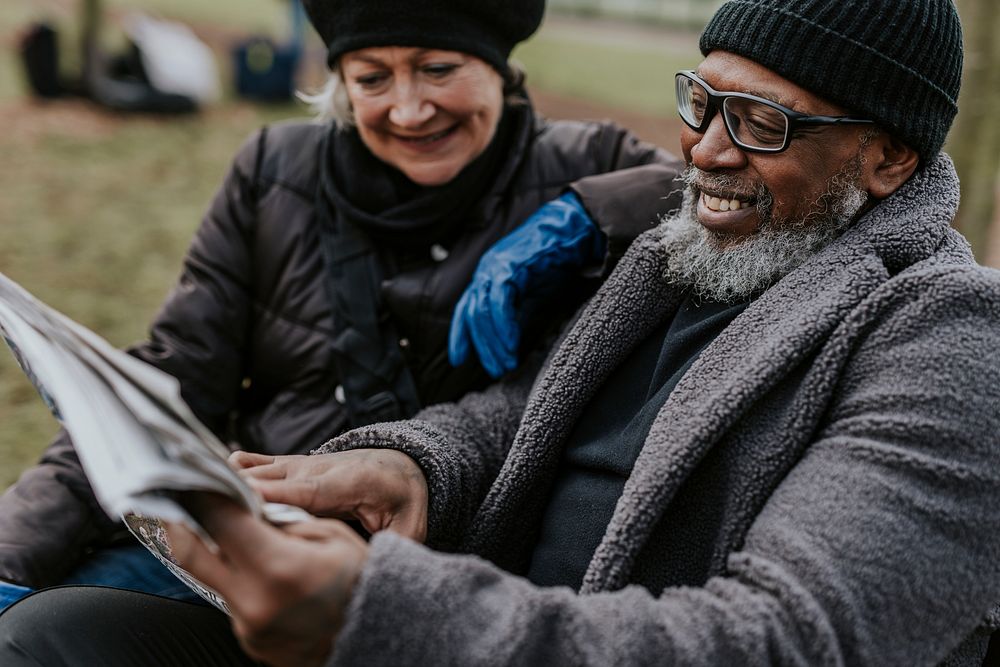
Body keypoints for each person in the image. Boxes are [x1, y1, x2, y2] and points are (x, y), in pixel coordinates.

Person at [6, 0, 1000, 665]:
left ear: (886, 160)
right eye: (700, 101)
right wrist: (412, 468)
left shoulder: (946, 341)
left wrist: (380, 615)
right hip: (452, 601)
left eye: (761, 123)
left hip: (470, 631)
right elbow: (535, 413)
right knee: (57, 635)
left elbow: (783, 639)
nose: (704, 147)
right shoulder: (690, 255)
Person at [0, 0, 682, 610]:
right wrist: (13, 551)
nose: (409, 109)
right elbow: (172, 381)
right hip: (248, 538)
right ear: (339, 86)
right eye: (372, 78)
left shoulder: (588, 159)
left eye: (439, 67)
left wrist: (585, 212)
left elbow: (718, 195)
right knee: (42, 622)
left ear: (501, 68)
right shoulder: (272, 169)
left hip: (437, 570)